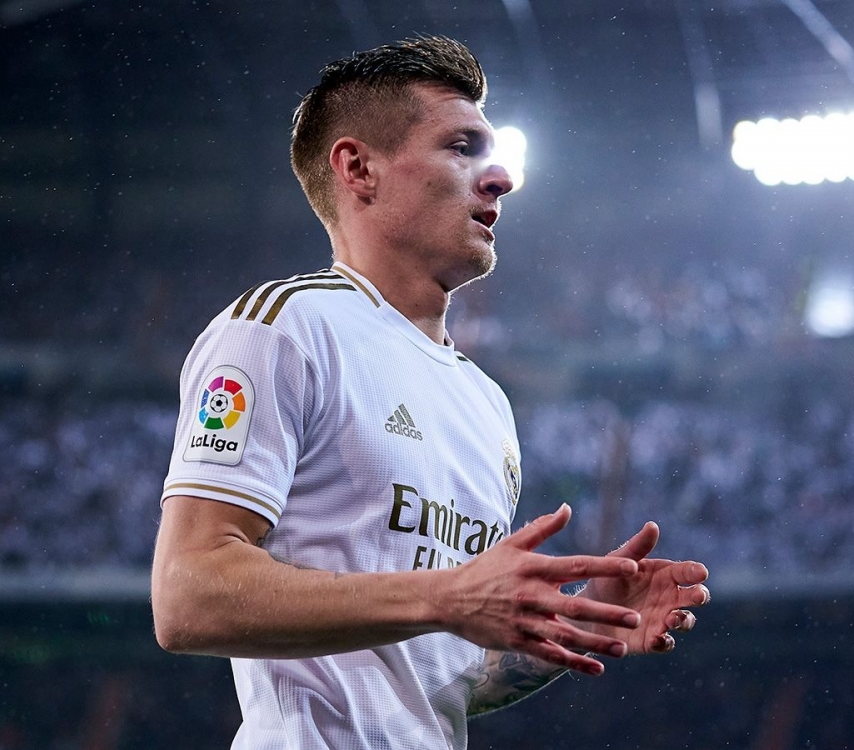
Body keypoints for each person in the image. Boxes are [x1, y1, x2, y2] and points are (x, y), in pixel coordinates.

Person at [150, 35, 710, 750]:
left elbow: (445, 676)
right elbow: (187, 595)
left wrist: (571, 624)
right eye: (461, 148)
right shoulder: (283, 328)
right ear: (359, 168)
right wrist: (447, 596)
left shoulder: (486, 402)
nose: (500, 177)